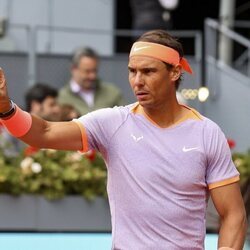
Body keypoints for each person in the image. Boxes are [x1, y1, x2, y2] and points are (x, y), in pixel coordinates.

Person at [0, 30, 247, 249]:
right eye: (132, 71)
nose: (137, 81)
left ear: (175, 72)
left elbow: (234, 215)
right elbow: (43, 133)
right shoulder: (112, 122)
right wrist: (6, 108)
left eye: (148, 71)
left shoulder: (207, 132)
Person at [57, 47, 126, 116]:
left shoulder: (112, 93)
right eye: (87, 71)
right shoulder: (62, 98)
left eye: (95, 71)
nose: (92, 76)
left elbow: (125, 118)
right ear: (74, 69)